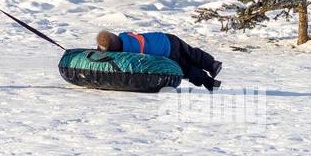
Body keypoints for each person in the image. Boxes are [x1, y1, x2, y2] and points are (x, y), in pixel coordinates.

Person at [95, 29, 224, 90]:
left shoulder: (128, 54)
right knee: (191, 53)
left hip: (168, 53)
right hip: (166, 38)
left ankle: (210, 83)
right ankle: (212, 64)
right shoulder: (124, 36)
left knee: (186, 69)